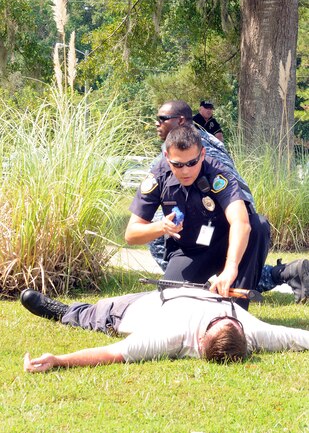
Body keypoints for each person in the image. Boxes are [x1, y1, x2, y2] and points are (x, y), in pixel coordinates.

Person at [149, 100, 309, 304]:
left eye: (162, 119)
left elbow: (235, 197)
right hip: (213, 230)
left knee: (229, 272)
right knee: (186, 282)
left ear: (180, 121)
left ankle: (278, 276)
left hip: (225, 227)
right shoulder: (205, 142)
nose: (157, 123)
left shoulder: (202, 151)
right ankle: (286, 273)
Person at [125, 124, 270, 310]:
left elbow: (241, 223)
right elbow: (131, 234)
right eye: (177, 164)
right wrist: (161, 227)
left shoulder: (218, 173)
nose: (185, 171)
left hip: (224, 244)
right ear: (166, 157)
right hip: (189, 251)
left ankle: (236, 309)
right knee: (169, 303)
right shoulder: (157, 177)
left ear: (202, 154)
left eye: (192, 163)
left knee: (258, 224)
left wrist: (230, 269)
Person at [22, 287, 309, 373]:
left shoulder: (170, 337)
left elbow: (111, 352)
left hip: (132, 310)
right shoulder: (255, 331)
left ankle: (62, 311)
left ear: (198, 340)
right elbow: (300, 337)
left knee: (93, 313)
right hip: (174, 288)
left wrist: (59, 360)